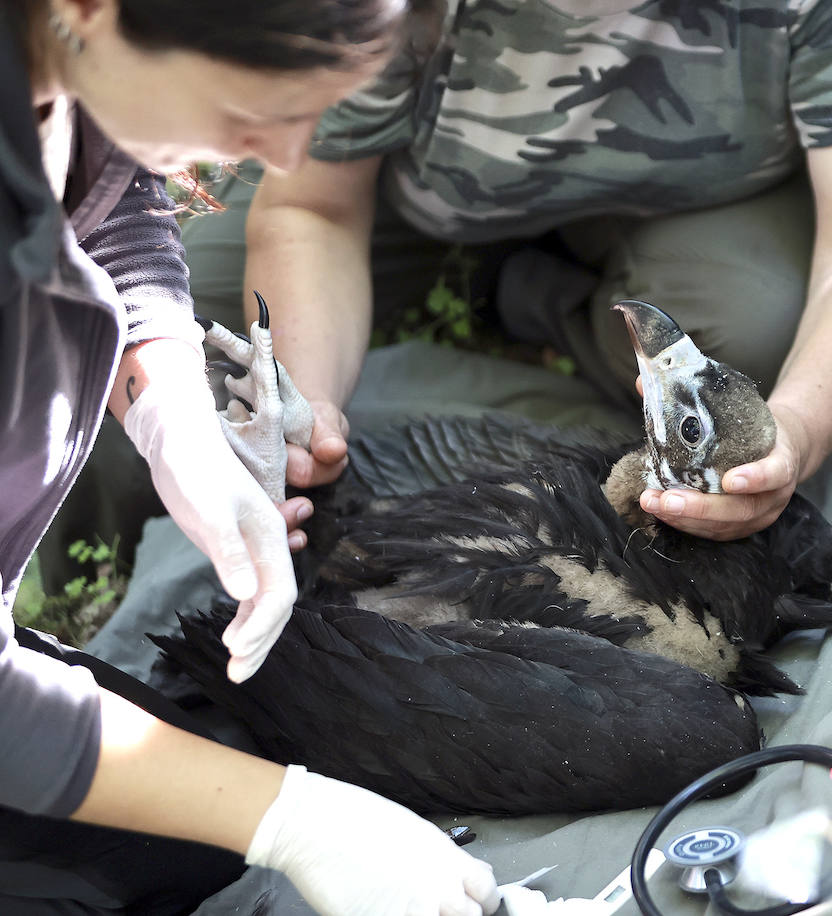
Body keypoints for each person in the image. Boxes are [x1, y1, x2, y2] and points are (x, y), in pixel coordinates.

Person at [63, 0, 832, 565]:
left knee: (737, 376)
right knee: (123, 359)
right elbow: (313, 210)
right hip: (389, 192)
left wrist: (794, 434)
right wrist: (306, 408)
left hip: (699, 200)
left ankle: (535, 296)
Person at [1, 1, 499, 913]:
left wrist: (171, 410)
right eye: (253, 108)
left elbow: (109, 204)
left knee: (171, 851)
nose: (282, 155)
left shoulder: (60, 60)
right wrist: (298, 821)